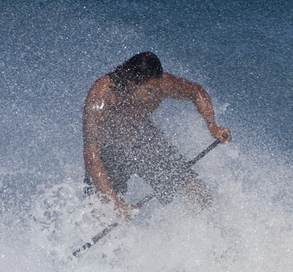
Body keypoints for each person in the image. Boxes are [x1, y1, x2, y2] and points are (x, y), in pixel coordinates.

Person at [83, 52, 231, 217]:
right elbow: (92, 155)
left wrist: (213, 126)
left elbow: (196, 92)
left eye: (156, 88)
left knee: (196, 190)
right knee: (107, 215)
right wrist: (114, 204)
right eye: (149, 90)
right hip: (108, 153)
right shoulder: (102, 97)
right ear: (132, 83)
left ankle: (219, 235)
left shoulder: (162, 84)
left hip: (143, 140)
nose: (155, 94)